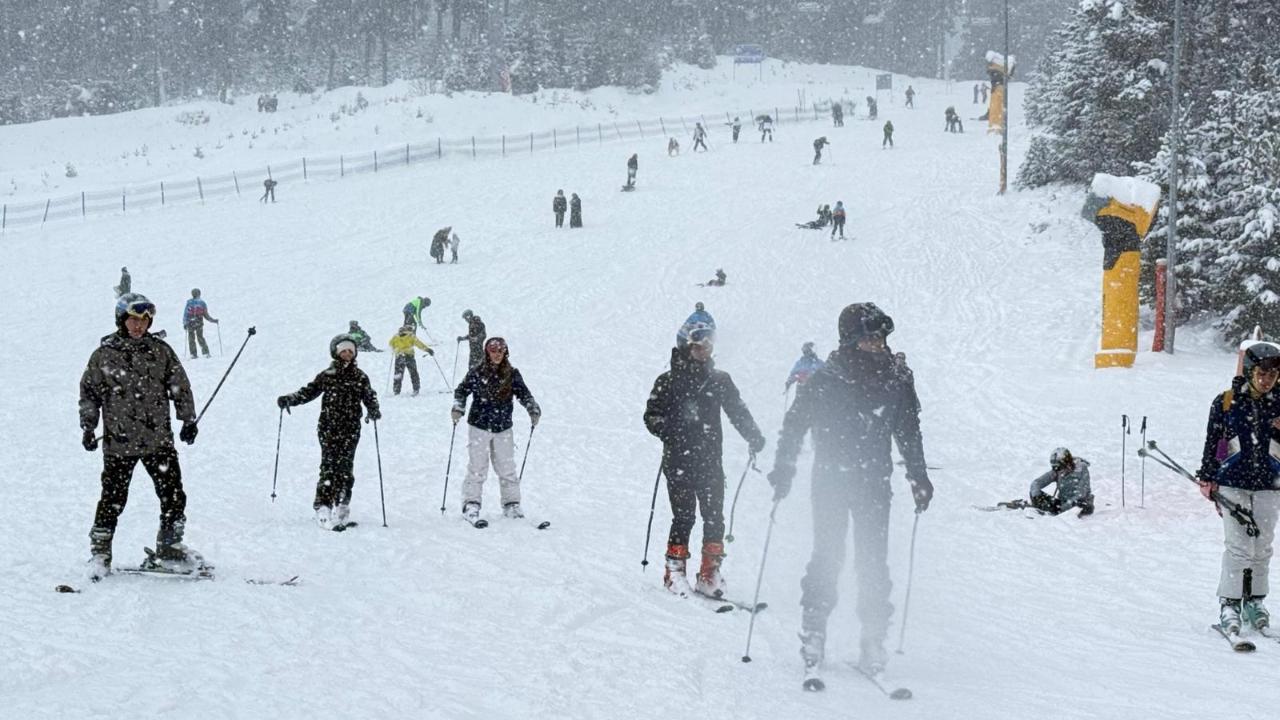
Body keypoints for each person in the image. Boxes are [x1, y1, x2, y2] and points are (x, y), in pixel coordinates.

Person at [767, 302, 933, 688]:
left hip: (874, 481)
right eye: (870, 337)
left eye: (882, 337)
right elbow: (795, 424)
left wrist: (919, 476)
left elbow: (908, 429)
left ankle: (873, 638)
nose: (879, 344)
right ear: (851, 340)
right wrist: (785, 467)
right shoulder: (827, 378)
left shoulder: (897, 377)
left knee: (873, 560)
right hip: (830, 480)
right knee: (828, 555)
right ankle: (814, 631)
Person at [80, 293, 202, 580]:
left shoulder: (160, 352)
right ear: (122, 320)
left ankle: (170, 547)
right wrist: (88, 426)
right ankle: (100, 553)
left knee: (173, 496)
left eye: (144, 321)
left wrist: (188, 419)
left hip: (157, 441)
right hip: (119, 443)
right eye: (134, 320)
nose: (139, 326)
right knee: (112, 499)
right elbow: (90, 394)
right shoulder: (104, 355)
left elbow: (179, 385)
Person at [644, 320, 764, 597]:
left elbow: (738, 410)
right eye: (699, 344)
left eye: (709, 343)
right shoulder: (668, 380)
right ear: (686, 346)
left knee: (714, 517)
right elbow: (651, 415)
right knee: (684, 516)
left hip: (710, 459)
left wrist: (753, 435)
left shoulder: (719, 379)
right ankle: (674, 572)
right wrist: (667, 429)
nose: (705, 349)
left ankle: (709, 573)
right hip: (679, 460)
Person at [1196, 341, 1280, 635]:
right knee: (1239, 547)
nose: (1267, 379)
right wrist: (1208, 477)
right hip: (1232, 482)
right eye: (1262, 372)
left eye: (1273, 375)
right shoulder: (1227, 402)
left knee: (1263, 547)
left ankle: (1255, 601)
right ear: (1249, 370)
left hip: (1270, 484)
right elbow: (1214, 442)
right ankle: (1230, 603)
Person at [277, 334, 381, 529]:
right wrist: (290, 399)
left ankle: (342, 505)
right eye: (343, 350)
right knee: (329, 466)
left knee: (346, 468)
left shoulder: (360, 376)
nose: (347, 354)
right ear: (336, 352)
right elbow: (309, 391)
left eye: (350, 350)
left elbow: (369, 396)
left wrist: (373, 409)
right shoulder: (327, 375)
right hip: (329, 428)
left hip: (351, 428)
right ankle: (323, 506)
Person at [451, 337, 541, 524]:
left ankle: (512, 504)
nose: (497, 354)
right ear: (487, 351)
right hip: (479, 426)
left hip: (503, 427)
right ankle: (471, 504)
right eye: (493, 350)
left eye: (500, 350)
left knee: (507, 468)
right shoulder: (477, 372)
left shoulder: (512, 374)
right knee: (477, 468)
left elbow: (524, 393)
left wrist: (532, 407)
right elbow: (461, 391)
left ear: (505, 352)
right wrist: (458, 407)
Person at [996, 448, 1095, 515]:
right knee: (1040, 497)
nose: (1057, 470)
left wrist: (1064, 508)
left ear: (1066, 463)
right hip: (1061, 505)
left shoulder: (1082, 470)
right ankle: (1033, 507)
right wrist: (1036, 496)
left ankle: (1042, 509)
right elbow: (1037, 483)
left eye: (1059, 467)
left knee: (1078, 505)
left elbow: (1081, 493)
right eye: (1054, 467)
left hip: (1080, 505)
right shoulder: (1058, 471)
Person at [389, 324, 434, 395]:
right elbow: (419, 344)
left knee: (398, 374)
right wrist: (427, 350)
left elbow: (391, 344)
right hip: (409, 356)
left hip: (399, 357)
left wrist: (395, 349)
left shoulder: (395, 336)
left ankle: (396, 390)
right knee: (413, 373)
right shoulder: (411, 336)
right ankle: (416, 389)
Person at [182, 288, 219, 359]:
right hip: (196, 322)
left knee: (192, 338)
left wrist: (185, 322)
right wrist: (213, 320)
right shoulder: (201, 303)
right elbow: (206, 315)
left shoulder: (191, 303)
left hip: (191, 323)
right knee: (198, 337)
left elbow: (186, 314)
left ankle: (195, 354)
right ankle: (204, 353)